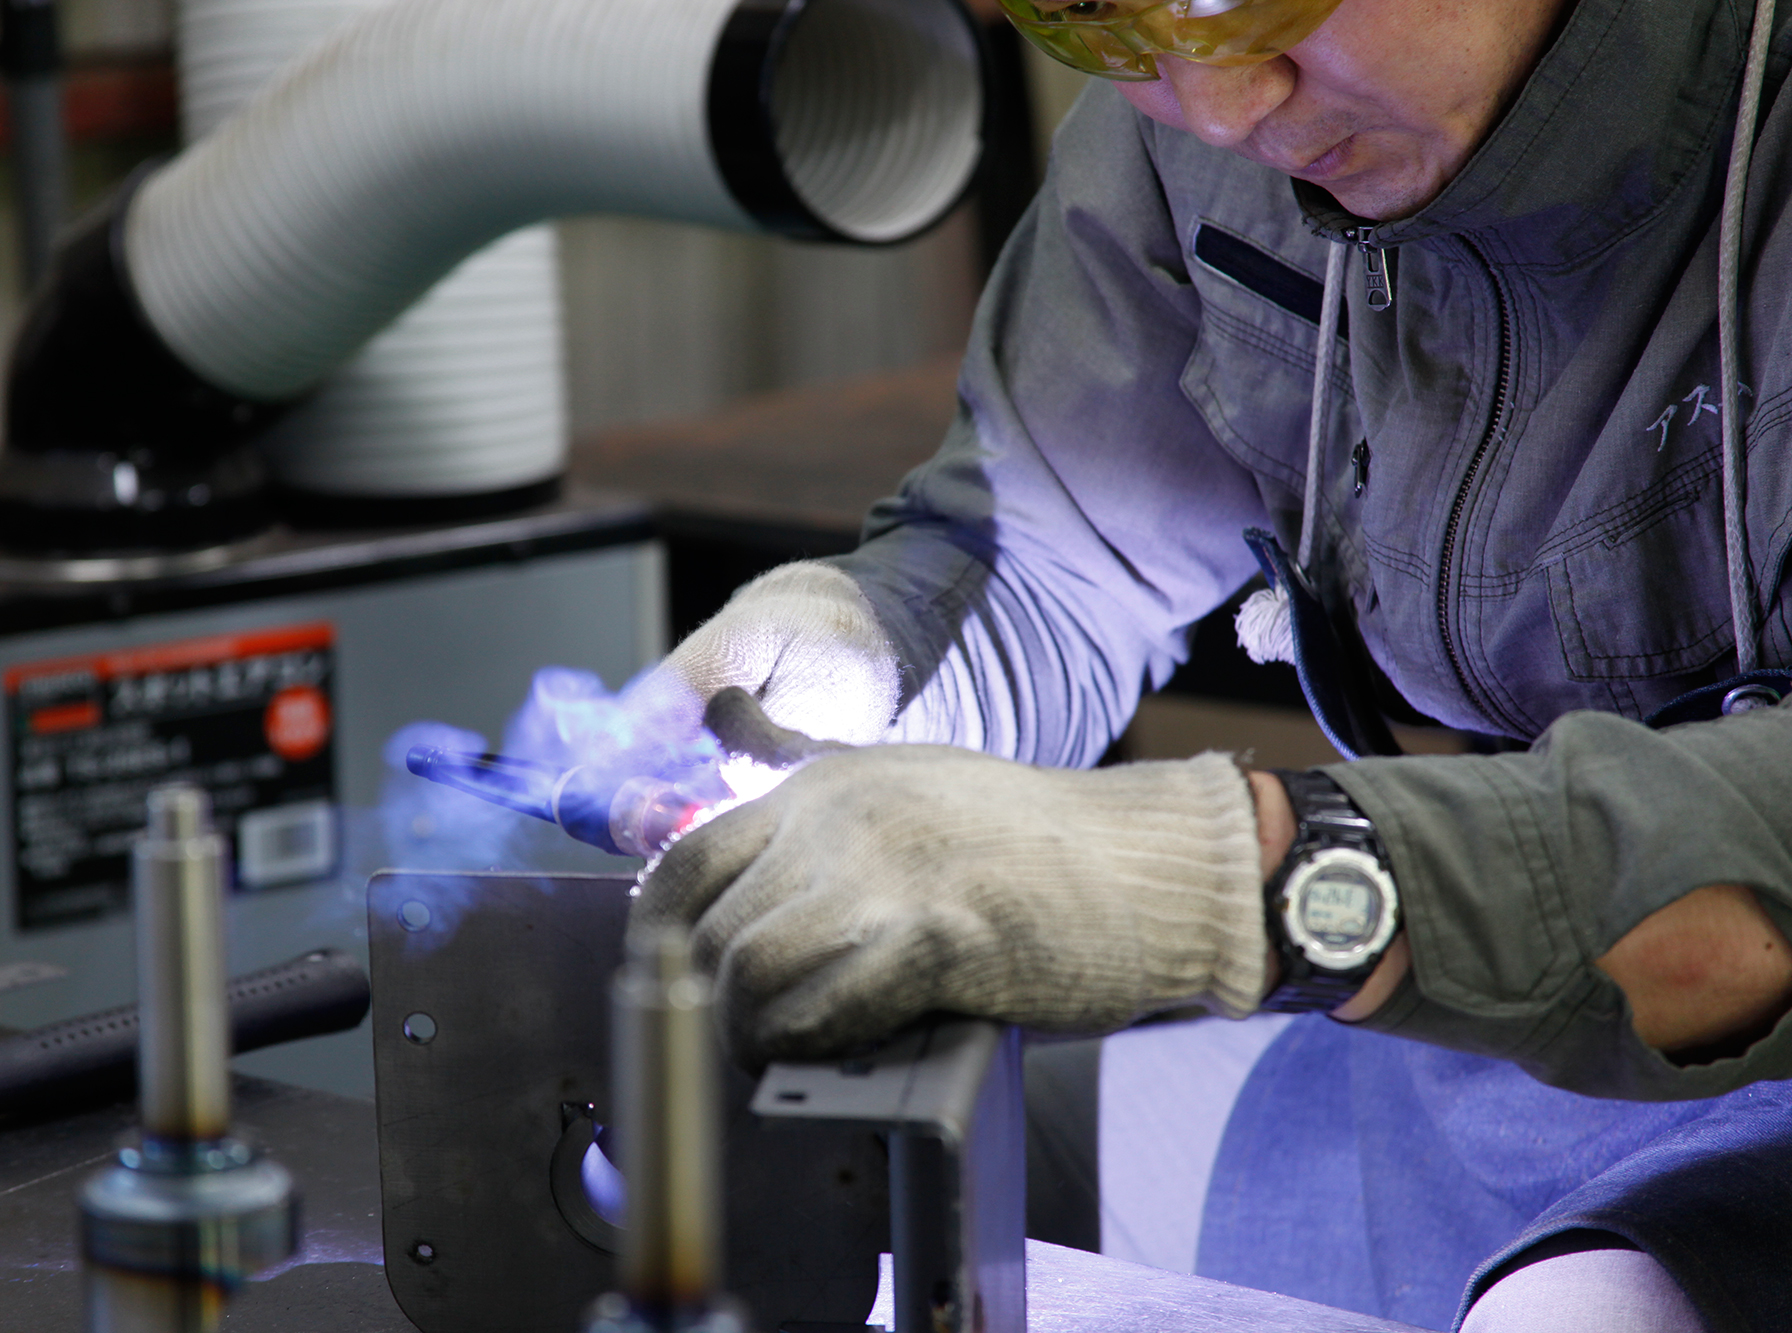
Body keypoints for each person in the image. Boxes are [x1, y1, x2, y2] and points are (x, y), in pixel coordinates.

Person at [629, 0, 1792, 1328]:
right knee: (805, 1181)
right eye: (1104, 24)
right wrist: (871, 659)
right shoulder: (1195, 134)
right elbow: (1067, 552)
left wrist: (1238, 877)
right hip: (1456, 1056)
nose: (1227, 111)